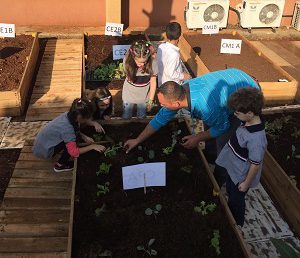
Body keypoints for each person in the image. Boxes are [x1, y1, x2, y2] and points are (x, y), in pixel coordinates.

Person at [124, 68, 261, 185]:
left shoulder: (206, 107)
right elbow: (159, 119)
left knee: (224, 142)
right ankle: (210, 157)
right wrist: (137, 140)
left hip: (248, 92)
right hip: (233, 79)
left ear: (177, 104)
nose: (161, 106)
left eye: (163, 104)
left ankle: (219, 180)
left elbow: (222, 127)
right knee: (211, 123)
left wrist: (197, 138)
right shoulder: (183, 91)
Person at [215, 88, 267, 226]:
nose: (235, 115)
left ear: (250, 113)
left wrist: (246, 184)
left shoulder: (257, 140)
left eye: (237, 113)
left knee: (236, 198)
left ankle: (237, 223)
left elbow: (255, 164)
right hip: (234, 165)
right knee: (230, 189)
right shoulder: (248, 120)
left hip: (241, 175)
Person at [33, 98, 106, 172]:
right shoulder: (68, 130)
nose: (89, 119)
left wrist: (86, 133)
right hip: (45, 151)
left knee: (74, 137)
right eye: (88, 117)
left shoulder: (68, 114)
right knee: (73, 143)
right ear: (80, 117)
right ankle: (59, 165)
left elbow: (74, 128)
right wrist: (92, 146)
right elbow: (73, 152)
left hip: (41, 144)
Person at [122, 40, 158, 119]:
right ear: (132, 57)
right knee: (126, 116)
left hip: (144, 97)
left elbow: (153, 82)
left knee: (141, 117)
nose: (142, 64)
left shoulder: (153, 63)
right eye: (138, 62)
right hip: (129, 96)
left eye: (144, 62)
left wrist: (150, 100)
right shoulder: (127, 62)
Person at [157, 22, 191, 86]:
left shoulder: (161, 47)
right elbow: (171, 73)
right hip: (172, 87)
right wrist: (183, 76)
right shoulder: (174, 54)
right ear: (179, 36)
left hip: (161, 82)